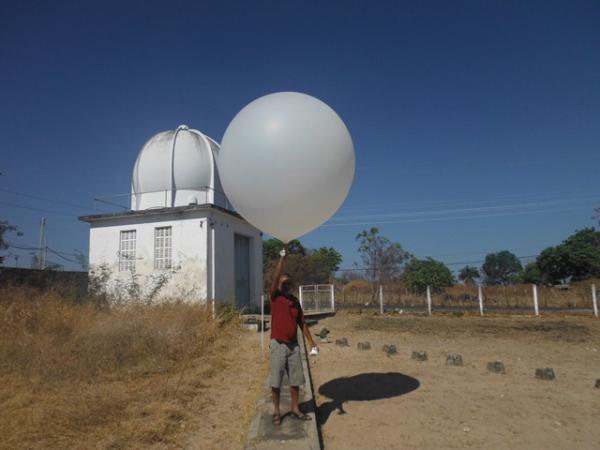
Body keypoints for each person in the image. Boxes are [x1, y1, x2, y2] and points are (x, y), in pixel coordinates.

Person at [269, 245, 317, 425]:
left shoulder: (295, 301)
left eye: (289, 283)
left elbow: (302, 323)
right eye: (284, 283)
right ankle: (276, 411)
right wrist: (282, 258)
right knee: (276, 381)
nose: (286, 285)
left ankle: (295, 408)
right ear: (279, 285)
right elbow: (275, 278)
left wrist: (312, 342)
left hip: (293, 346)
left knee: (295, 380)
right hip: (278, 345)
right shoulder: (275, 296)